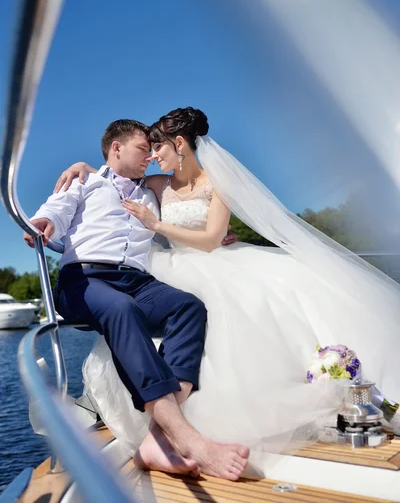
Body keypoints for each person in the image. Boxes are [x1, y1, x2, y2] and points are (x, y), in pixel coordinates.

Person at [56, 107, 400, 476]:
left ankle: (167, 431)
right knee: (155, 309)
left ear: (180, 143)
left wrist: (158, 225)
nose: (154, 156)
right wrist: (84, 168)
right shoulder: (157, 185)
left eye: (158, 147)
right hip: (167, 267)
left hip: (212, 258)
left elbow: (210, 240)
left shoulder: (219, 184)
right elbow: (118, 179)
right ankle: (170, 431)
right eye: (149, 149)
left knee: (242, 307)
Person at [24, 119, 250, 481]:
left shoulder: (151, 191)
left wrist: (218, 233)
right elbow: (57, 209)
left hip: (137, 280)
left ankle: (157, 437)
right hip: (84, 278)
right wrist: (44, 222)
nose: (149, 156)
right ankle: (186, 438)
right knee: (121, 308)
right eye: (143, 149)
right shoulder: (86, 181)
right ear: (116, 148)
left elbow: (188, 207)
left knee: (188, 307)